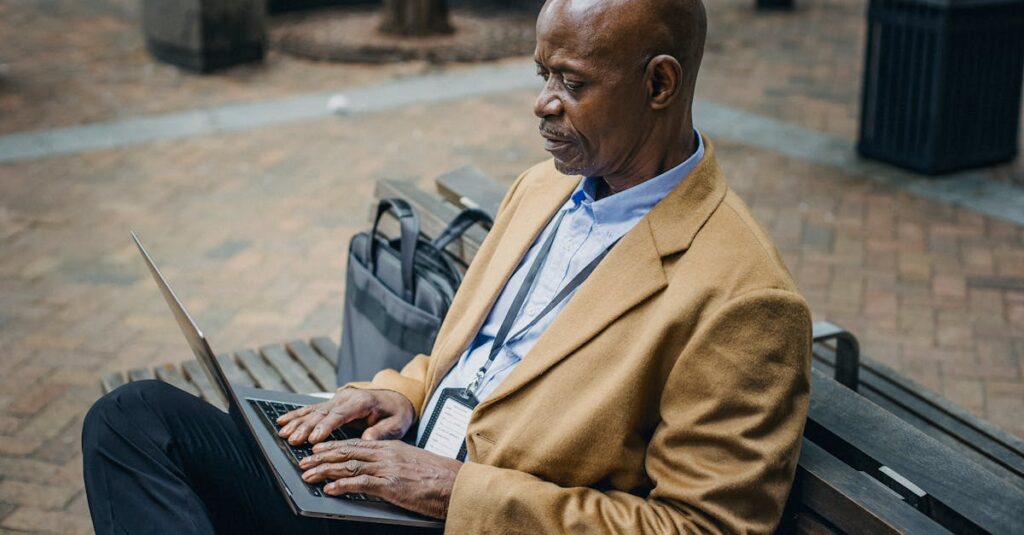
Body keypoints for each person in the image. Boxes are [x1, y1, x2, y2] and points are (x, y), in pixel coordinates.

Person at [82, 0, 811, 533]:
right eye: (541, 73)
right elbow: (475, 362)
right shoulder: (546, 186)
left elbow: (700, 528)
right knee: (134, 421)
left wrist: (457, 492)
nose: (542, 104)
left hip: (464, 518)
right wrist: (394, 393)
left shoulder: (742, 297)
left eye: (572, 82)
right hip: (393, 482)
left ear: (659, 85)